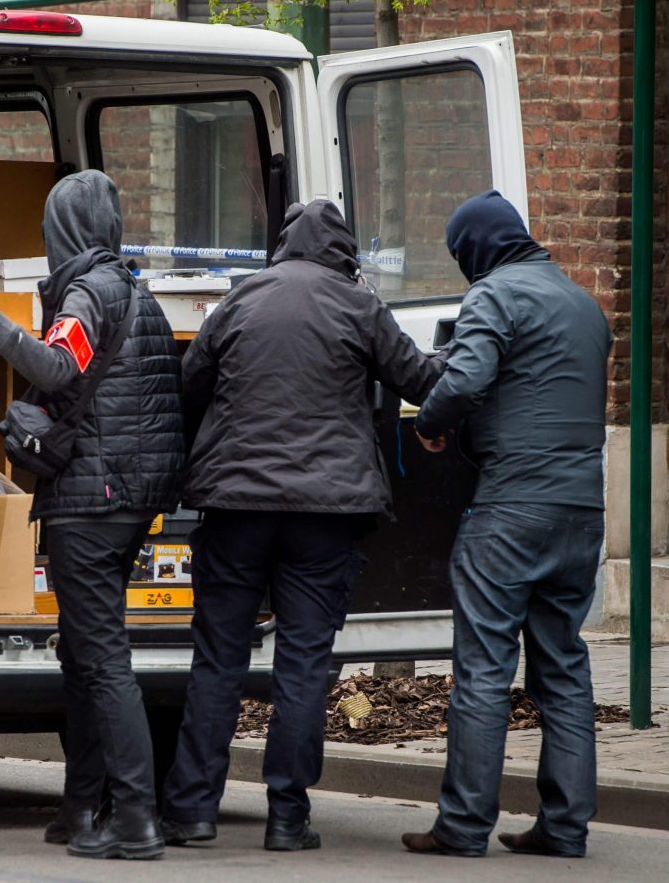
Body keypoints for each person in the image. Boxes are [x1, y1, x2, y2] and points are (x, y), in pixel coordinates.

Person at [159, 200, 442, 852]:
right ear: (344, 253)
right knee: (304, 664)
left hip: (235, 508)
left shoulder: (241, 298)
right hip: (324, 515)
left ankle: (193, 810)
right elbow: (419, 379)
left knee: (218, 658)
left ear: (284, 245)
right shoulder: (359, 305)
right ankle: (287, 817)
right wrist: (473, 358)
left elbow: (188, 387)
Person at [0, 169, 185, 860]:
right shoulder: (133, 290)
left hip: (91, 504)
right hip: (128, 500)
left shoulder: (87, 292)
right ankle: (79, 808)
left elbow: (54, 368)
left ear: (62, 231)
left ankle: (134, 819)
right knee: (82, 653)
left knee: (101, 660)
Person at [402, 191, 611, 859]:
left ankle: (463, 826)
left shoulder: (495, 294)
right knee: (564, 667)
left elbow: (466, 378)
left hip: (512, 507)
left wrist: (431, 423)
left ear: (476, 248)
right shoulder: (584, 304)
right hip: (582, 510)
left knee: (485, 667)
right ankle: (565, 828)